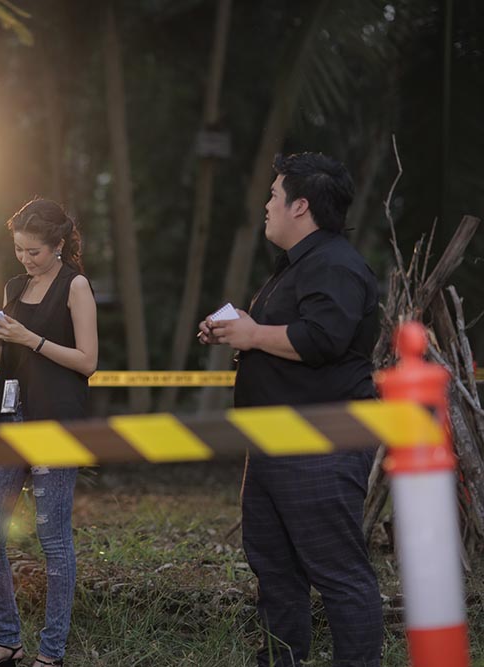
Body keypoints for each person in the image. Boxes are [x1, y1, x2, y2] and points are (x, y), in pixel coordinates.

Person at [198, 153, 383, 666]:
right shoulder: (298, 265)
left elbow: (323, 338)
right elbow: (283, 333)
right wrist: (239, 329)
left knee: (338, 572)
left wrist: (254, 333)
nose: (267, 204)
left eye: (274, 194)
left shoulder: (336, 264)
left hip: (319, 440)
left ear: (300, 206)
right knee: (275, 570)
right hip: (272, 441)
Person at [0, 198, 98, 667]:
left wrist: (30, 338)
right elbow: (11, 362)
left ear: (58, 244)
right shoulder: (14, 286)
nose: (25, 259)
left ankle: (52, 651)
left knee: (53, 540)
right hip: (9, 418)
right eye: (19, 250)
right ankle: (8, 639)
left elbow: (88, 361)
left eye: (34, 251)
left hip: (56, 422)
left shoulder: (75, 285)